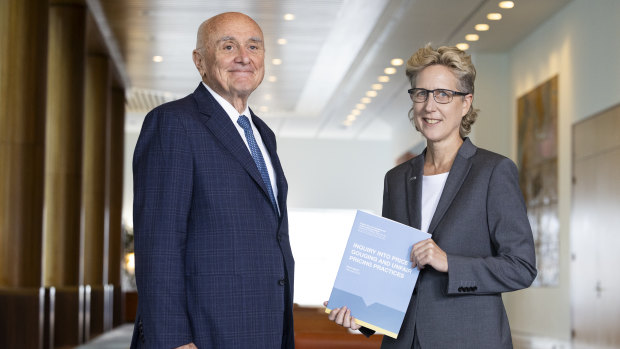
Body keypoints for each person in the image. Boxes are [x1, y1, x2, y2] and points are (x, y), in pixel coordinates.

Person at [326, 44, 537, 348]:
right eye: (421, 93)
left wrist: (448, 261)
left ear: (465, 103)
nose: (429, 106)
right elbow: (394, 271)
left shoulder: (493, 171)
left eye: (443, 95)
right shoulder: (397, 178)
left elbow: (521, 267)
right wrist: (361, 315)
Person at [130, 12, 295, 349]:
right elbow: (158, 245)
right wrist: (173, 340)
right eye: (228, 46)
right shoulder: (173, 123)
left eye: (253, 46)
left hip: (265, 331)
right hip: (203, 337)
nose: (243, 57)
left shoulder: (264, 135)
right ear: (200, 60)